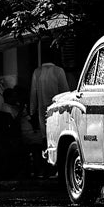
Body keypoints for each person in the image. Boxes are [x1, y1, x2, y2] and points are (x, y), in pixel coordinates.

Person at [30, 45, 70, 176]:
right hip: (57, 111)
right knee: (58, 138)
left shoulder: (37, 72)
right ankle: (58, 168)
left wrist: (32, 111)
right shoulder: (59, 71)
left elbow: (33, 95)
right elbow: (65, 92)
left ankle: (47, 167)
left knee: (45, 139)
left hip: (42, 112)